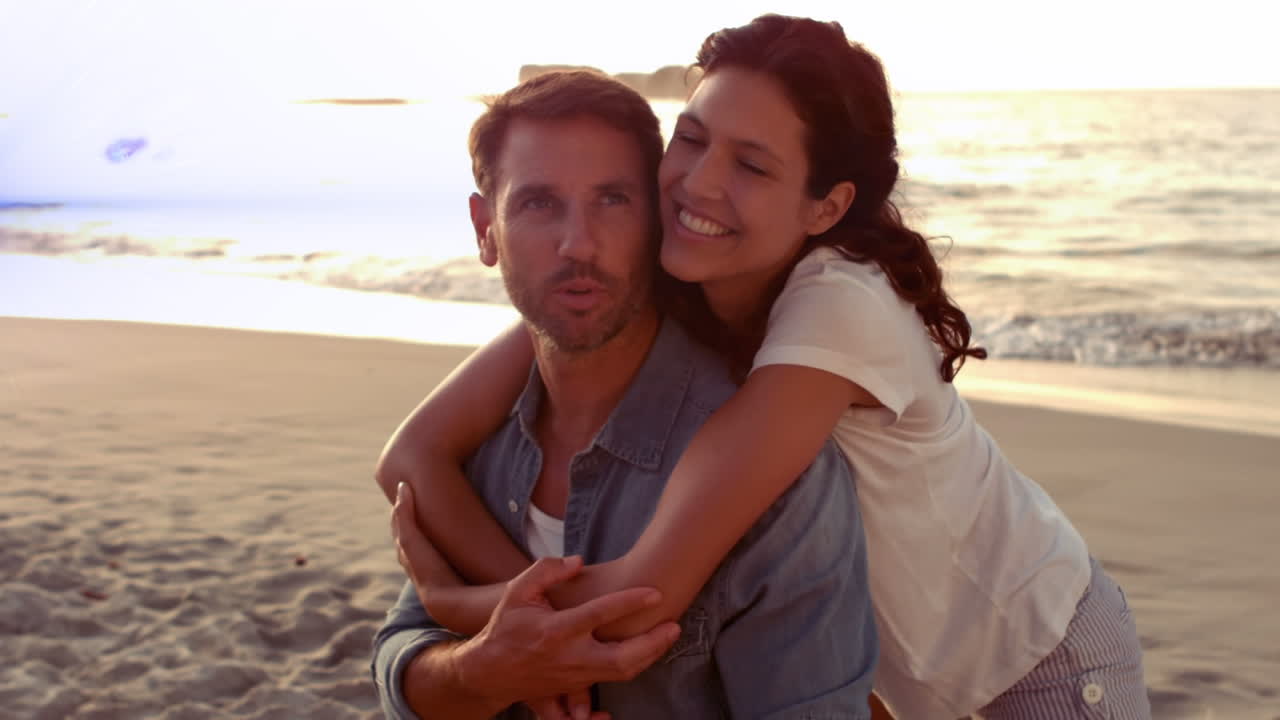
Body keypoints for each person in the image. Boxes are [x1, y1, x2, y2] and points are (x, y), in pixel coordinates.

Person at [378, 15, 1151, 719]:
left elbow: (652, 590)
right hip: (905, 671)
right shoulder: (628, 287)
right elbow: (410, 456)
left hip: (1038, 656)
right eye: (692, 138)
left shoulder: (840, 309)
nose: (700, 181)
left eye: (751, 165)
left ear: (824, 206)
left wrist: (457, 601)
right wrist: (499, 640)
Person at [370, 68, 879, 719]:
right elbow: (403, 657)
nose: (578, 243)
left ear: (660, 217)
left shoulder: (769, 478)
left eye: (612, 199)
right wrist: (480, 673)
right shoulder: (474, 442)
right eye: (538, 203)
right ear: (483, 228)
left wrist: (466, 607)